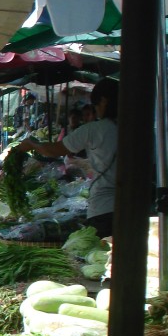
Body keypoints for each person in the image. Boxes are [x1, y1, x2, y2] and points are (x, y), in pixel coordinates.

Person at [19, 78, 118, 236]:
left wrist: (32, 144)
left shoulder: (95, 129)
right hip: (134, 209)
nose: (96, 111)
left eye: (96, 105)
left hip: (103, 209)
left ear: (104, 102)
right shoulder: (137, 129)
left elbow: (55, 150)